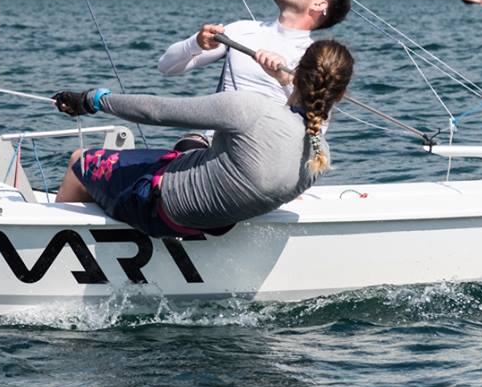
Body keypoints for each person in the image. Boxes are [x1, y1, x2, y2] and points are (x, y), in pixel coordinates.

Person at [53, 40, 355, 238]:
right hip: (211, 223)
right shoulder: (320, 157)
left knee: (80, 161)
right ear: (340, 94)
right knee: (194, 140)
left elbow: (155, 112)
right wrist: (285, 82)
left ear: (297, 71)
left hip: (155, 207)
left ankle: (58, 236)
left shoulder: (250, 109)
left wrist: (93, 100)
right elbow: (291, 123)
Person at [157, 0, 351, 106]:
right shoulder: (240, 30)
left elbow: (317, 127)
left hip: (267, 144)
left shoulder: (317, 58)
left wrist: (285, 80)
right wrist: (196, 43)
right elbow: (166, 67)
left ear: (319, 4)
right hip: (214, 140)